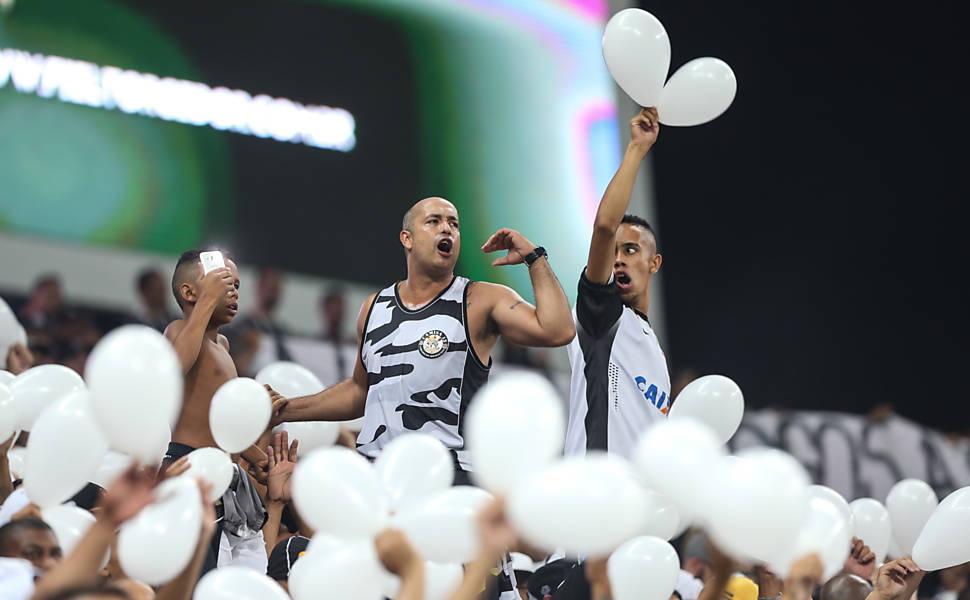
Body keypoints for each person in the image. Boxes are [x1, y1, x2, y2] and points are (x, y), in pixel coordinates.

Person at [277, 197, 575, 482]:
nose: (447, 228)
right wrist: (285, 410)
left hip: (447, 473)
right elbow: (360, 390)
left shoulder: (480, 299)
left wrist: (535, 258)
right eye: (433, 221)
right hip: (375, 472)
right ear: (407, 239)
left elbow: (558, 330)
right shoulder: (373, 307)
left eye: (454, 224)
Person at [163, 249, 286, 574]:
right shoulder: (178, 331)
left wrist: (260, 459)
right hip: (189, 465)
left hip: (228, 475)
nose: (232, 292)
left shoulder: (225, 348)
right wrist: (205, 305)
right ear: (189, 293)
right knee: (201, 581)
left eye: (236, 285)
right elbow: (172, 372)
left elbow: (220, 426)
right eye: (221, 283)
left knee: (247, 578)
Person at [564, 107, 668, 459]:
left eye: (631, 250)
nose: (618, 257)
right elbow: (605, 227)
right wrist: (637, 148)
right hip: (595, 494)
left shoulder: (650, 346)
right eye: (615, 252)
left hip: (637, 503)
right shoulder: (601, 318)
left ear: (654, 263)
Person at [224, 267, 292, 376]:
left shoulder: (282, 332)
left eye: (276, 288)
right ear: (258, 287)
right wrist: (253, 349)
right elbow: (229, 368)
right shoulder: (238, 327)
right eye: (270, 287)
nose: (273, 293)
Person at [130, 269, 175, 333]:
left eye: (163, 290)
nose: (163, 295)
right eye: (158, 290)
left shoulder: (173, 322)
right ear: (145, 291)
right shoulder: (132, 324)